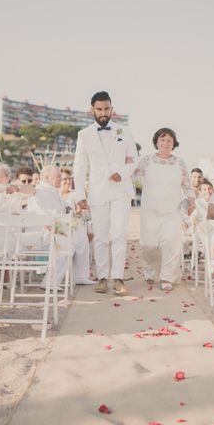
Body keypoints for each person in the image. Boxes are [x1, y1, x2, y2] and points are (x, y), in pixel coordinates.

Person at [74, 91, 138, 296]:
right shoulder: (83, 135)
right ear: (92, 110)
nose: (103, 113)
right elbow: (79, 167)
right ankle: (102, 277)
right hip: (97, 191)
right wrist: (80, 196)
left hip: (121, 191)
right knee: (101, 236)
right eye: (99, 109)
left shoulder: (124, 131)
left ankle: (118, 277)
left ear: (112, 109)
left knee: (119, 234)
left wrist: (123, 173)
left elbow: (134, 160)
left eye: (106, 109)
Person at [134, 128, 194, 291]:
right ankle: (152, 267)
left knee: (170, 243)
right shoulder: (146, 161)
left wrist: (191, 199)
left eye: (169, 140)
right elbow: (132, 177)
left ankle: (167, 277)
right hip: (150, 210)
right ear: (156, 142)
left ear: (174, 143)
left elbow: (187, 183)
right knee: (148, 245)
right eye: (162, 139)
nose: (166, 143)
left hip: (172, 210)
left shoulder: (179, 162)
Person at [59, 168, 94, 285]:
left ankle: (80, 275)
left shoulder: (74, 195)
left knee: (81, 234)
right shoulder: (55, 194)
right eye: (64, 179)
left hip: (72, 225)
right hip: (58, 228)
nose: (67, 182)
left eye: (69, 179)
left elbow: (82, 213)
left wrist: (79, 210)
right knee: (80, 236)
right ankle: (77, 275)